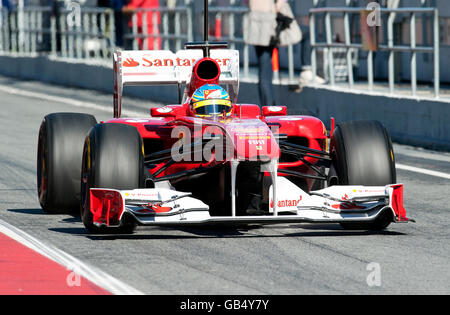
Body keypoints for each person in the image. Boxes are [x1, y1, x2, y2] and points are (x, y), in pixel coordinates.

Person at [244, 0, 286, 107]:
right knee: (266, 67)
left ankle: (267, 104)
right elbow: (280, 4)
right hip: (268, 21)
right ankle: (268, 105)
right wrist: (276, 8)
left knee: (264, 67)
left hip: (255, 22)